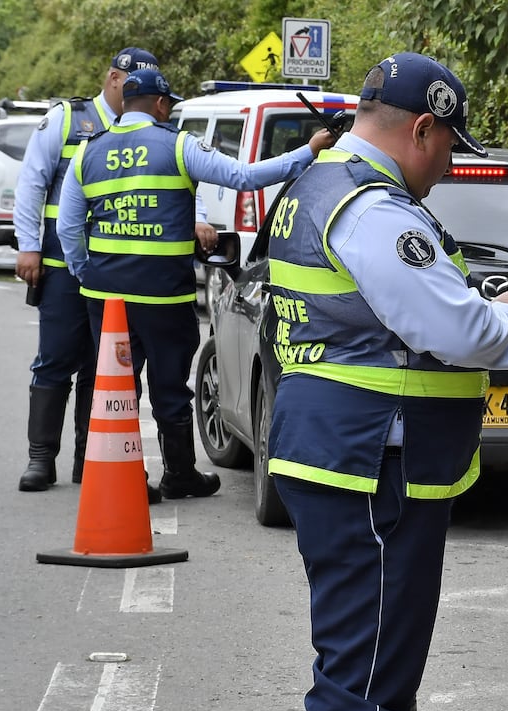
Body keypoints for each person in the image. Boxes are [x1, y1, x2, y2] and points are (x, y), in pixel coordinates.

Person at [265, 52, 508, 711]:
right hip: (373, 461)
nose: (448, 164)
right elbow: (455, 331)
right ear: (422, 129)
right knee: (367, 684)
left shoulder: (314, 183)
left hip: (340, 448)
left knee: (372, 670)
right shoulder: (373, 209)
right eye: (449, 145)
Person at [56, 68, 336, 501]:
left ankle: (122, 479)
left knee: (115, 388)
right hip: (163, 295)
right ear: (160, 104)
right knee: (169, 387)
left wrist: (84, 272)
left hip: (106, 298)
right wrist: (309, 150)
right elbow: (245, 177)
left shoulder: (87, 153)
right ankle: (180, 474)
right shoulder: (178, 146)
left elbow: (68, 228)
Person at [13, 47, 158, 494]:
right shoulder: (67, 120)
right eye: (130, 82)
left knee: (102, 368)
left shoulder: (146, 130)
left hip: (113, 272)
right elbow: (32, 183)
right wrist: (29, 246)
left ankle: (86, 460)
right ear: (113, 78)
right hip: (61, 267)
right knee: (56, 359)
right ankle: (41, 459)